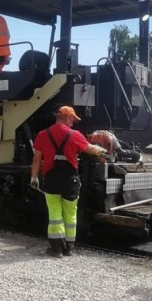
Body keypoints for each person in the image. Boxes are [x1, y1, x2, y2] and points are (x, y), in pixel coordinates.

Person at [30, 106, 106, 258]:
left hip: (52, 179)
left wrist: (34, 177)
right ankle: (69, 248)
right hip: (71, 179)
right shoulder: (75, 135)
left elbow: (37, 158)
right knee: (71, 214)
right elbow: (90, 149)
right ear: (67, 118)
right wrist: (101, 150)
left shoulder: (42, 135)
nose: (73, 123)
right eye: (73, 120)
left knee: (55, 214)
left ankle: (56, 249)